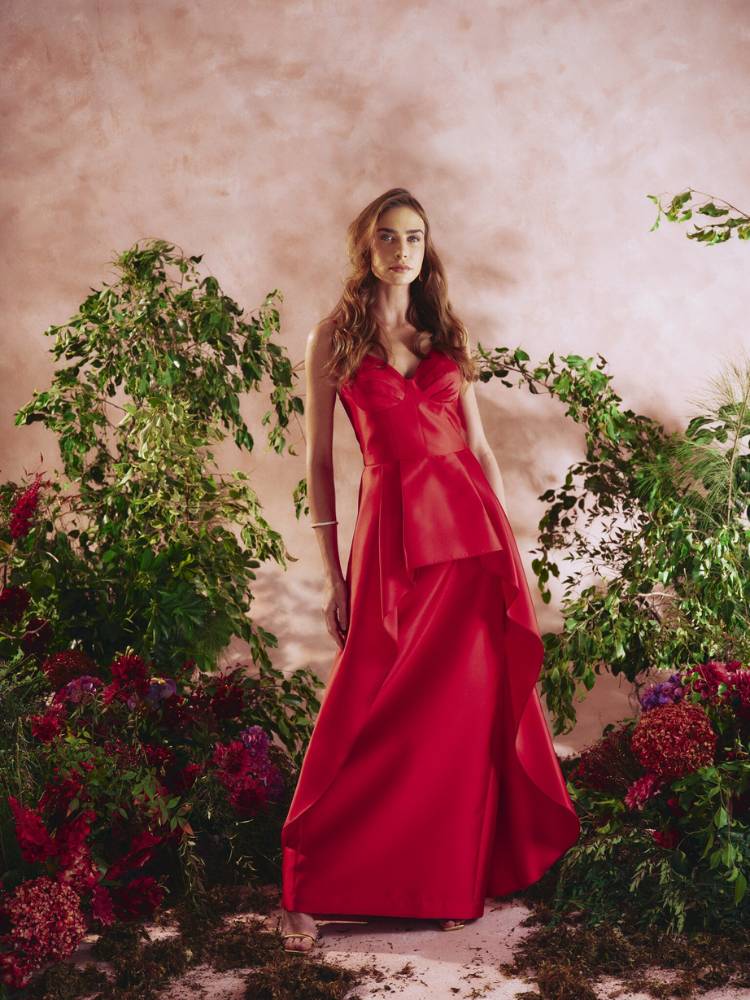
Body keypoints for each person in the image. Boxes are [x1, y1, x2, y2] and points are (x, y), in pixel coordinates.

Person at [277, 188, 580, 953]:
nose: (401, 248)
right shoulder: (333, 340)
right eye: (387, 236)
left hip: (472, 546)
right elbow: (318, 462)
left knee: (460, 715)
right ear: (366, 247)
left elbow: (476, 448)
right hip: (390, 546)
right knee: (369, 706)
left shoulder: (443, 331)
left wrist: (509, 549)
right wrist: (332, 576)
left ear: (426, 247)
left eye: (413, 236)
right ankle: (322, 872)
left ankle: (447, 881)